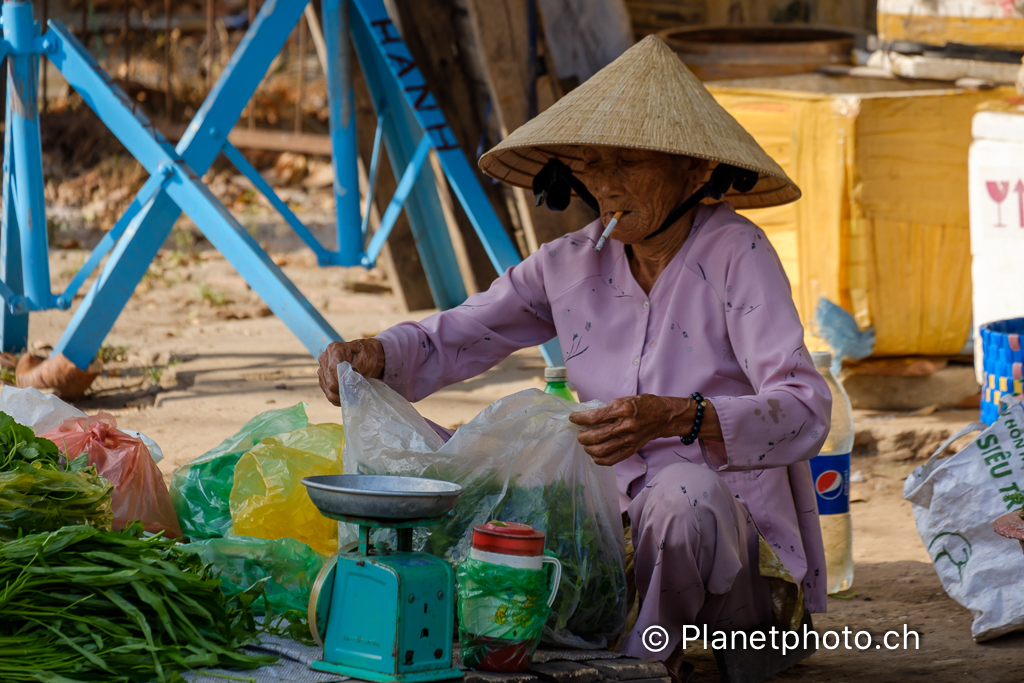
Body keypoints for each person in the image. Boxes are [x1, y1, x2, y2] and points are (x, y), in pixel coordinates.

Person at [318, 35, 831, 678]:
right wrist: (377, 354)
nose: (606, 186)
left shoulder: (738, 253)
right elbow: (462, 331)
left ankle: (649, 663)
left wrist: (679, 416)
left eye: (627, 164)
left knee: (680, 497)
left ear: (695, 170)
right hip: (602, 521)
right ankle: (598, 631)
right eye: (591, 165)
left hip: (720, 527)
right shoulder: (570, 264)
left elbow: (805, 408)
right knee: (464, 462)